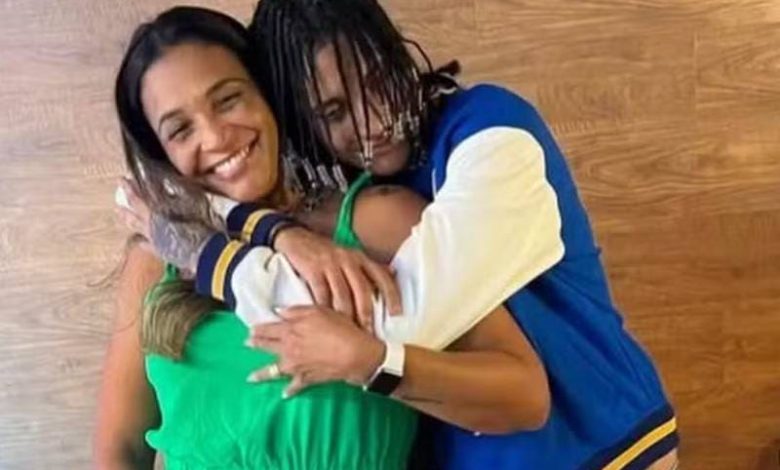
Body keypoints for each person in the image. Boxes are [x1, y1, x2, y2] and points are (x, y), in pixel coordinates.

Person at [232, 0, 681, 468]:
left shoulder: (490, 128)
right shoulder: (352, 194)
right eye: (334, 112)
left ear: (396, 52)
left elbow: (416, 311)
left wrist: (248, 255)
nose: (374, 122)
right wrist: (275, 230)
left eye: (377, 81)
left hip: (607, 440)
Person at [95, 7, 548, 469]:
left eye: (228, 99)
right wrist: (280, 234)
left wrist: (372, 363)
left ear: (270, 96)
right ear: (162, 154)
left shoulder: (379, 223)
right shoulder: (158, 257)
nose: (215, 137)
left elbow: (524, 397)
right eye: (180, 129)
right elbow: (120, 449)